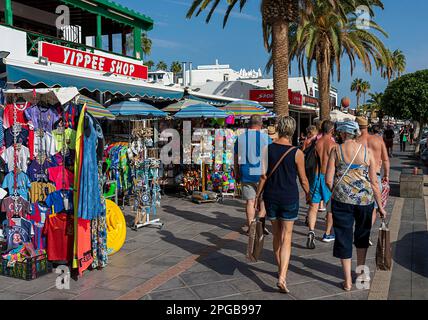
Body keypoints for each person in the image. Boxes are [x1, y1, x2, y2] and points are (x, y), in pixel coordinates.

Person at [326, 121, 386, 291]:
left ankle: (347, 282)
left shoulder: (336, 150)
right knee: (362, 237)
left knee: (343, 238)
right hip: (365, 202)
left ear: (343, 134)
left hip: (342, 201)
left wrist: (340, 191)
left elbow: (328, 179)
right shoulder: (367, 153)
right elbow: (374, 182)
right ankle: (361, 275)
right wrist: (380, 207)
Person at [256, 116, 310, 294]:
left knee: (277, 236)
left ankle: (281, 270)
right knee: (287, 238)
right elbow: (303, 179)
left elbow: (263, 176)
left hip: (271, 196)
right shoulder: (297, 153)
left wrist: (257, 197)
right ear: (293, 131)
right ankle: (282, 277)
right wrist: (309, 195)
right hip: (289, 198)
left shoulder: (267, 149)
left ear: (279, 128)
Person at [234, 115, 272, 235]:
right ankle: (260, 224)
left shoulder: (240, 138)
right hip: (263, 174)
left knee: (250, 201)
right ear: (261, 125)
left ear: (249, 124)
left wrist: (236, 172)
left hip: (246, 173)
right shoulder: (266, 138)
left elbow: (236, 158)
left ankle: (251, 226)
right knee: (263, 201)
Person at [356, 116, 390, 233]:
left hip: (360, 176)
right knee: (374, 208)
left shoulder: (356, 141)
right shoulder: (378, 140)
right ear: (367, 126)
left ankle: (360, 229)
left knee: (360, 206)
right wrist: (386, 175)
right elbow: (385, 160)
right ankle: (366, 232)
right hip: (376, 175)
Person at [306, 120, 336, 249]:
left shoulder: (316, 143)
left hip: (316, 177)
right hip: (327, 177)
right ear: (332, 130)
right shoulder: (333, 145)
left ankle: (311, 230)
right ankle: (327, 233)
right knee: (330, 208)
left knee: (313, 207)